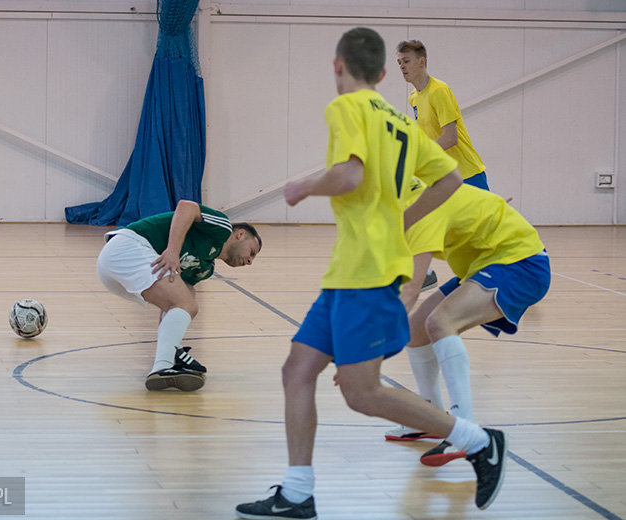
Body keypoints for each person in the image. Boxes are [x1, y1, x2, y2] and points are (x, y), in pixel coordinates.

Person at [235, 28, 507, 519]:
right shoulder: (402, 124)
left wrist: (305, 185)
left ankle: (477, 440)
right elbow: (449, 175)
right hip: (347, 272)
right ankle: (298, 493)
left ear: (337, 66)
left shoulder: (346, 109)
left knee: (363, 394)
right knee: (297, 369)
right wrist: (408, 217)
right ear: (384, 73)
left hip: (368, 275)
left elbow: (350, 175)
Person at [385, 177, 550, 467]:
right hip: (486, 262)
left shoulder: (422, 209)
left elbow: (412, 287)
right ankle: (432, 416)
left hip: (521, 263)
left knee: (439, 322)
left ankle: (463, 430)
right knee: (415, 329)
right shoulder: (408, 200)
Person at [96, 200, 262, 392]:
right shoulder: (222, 227)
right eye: (252, 252)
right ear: (240, 235)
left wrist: (169, 344)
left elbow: (172, 306)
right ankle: (162, 367)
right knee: (187, 305)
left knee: (186, 300)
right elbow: (186, 206)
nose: (250, 261)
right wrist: (173, 251)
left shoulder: (205, 268)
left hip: (115, 270)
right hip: (127, 247)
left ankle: (168, 357)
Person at [397, 39, 491, 294]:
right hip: (443, 177)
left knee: (486, 236)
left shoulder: (439, 90)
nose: (401, 67)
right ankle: (425, 273)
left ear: (422, 62)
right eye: (399, 62)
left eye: (406, 61)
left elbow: (450, 137)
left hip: (468, 173)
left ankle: (523, 268)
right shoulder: (414, 97)